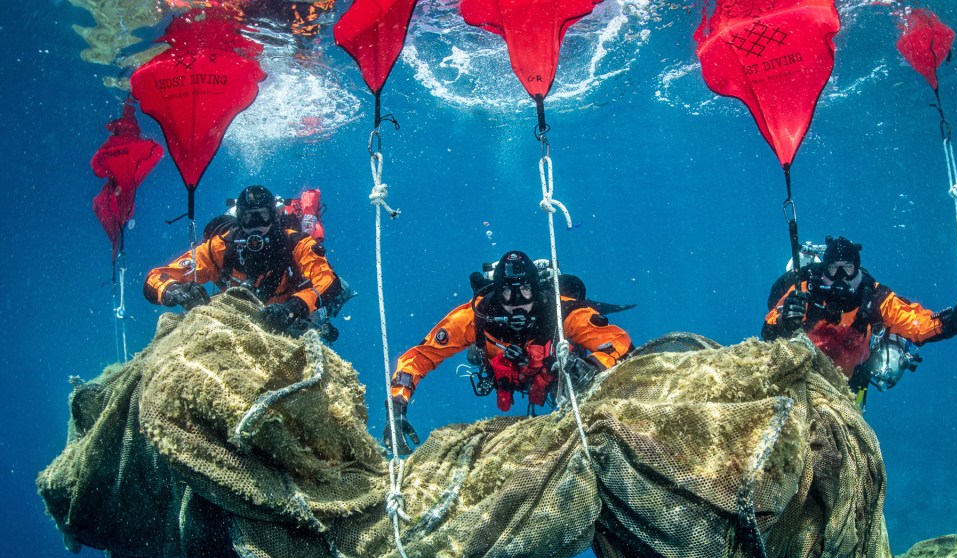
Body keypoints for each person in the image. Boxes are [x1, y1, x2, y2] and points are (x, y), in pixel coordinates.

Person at [384, 250, 634, 454]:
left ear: (537, 290)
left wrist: (592, 366)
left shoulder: (561, 313)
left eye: (525, 290)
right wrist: (397, 405)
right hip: (505, 374)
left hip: (553, 375)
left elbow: (617, 341)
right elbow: (420, 357)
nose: (516, 301)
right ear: (496, 290)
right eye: (506, 292)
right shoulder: (475, 318)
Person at [762, 235, 957, 395]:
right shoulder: (806, 288)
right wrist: (784, 321)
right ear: (823, 270)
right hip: (800, 375)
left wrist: (951, 322)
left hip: (847, 385)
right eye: (833, 269)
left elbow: (915, 323)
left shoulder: (874, 297)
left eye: (848, 268)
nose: (841, 277)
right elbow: (769, 327)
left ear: (858, 269)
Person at [144, 185, 352, 341]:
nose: (256, 227)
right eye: (249, 218)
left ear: (274, 217)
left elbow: (327, 281)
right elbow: (155, 279)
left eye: (262, 217)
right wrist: (172, 291)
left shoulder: (296, 244)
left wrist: (293, 306)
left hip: (289, 315)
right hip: (239, 320)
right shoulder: (219, 248)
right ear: (239, 219)